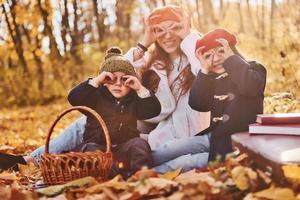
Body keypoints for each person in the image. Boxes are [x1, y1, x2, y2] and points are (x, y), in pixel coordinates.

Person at [0, 5, 211, 173]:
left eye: (174, 27)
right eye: (159, 30)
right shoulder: (153, 60)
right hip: (145, 127)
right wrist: (143, 44)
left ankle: (47, 161)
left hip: (168, 136)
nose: (167, 35)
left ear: (185, 28)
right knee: (91, 120)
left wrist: (190, 37)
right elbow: (118, 70)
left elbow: (205, 72)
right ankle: (30, 160)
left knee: (102, 139)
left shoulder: (194, 56)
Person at [1, 47, 161, 177]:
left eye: (124, 79)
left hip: (124, 147)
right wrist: (96, 81)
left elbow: (153, 110)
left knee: (139, 144)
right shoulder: (97, 97)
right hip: (97, 146)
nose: (118, 84)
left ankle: (142, 175)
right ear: (105, 80)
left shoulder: (134, 99)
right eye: (112, 79)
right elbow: (74, 98)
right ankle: (111, 176)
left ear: (131, 81)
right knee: (90, 152)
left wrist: (139, 88)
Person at [189, 28, 267, 161]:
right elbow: (199, 105)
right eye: (208, 56)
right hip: (213, 136)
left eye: (221, 51)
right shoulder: (212, 79)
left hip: (236, 142)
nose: (216, 59)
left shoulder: (254, 69)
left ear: (232, 51)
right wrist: (204, 71)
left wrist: (231, 59)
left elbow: (250, 87)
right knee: (165, 151)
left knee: (183, 162)